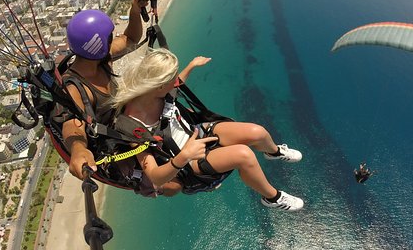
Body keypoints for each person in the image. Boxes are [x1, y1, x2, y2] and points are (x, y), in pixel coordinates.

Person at [111, 48, 304, 211]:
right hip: (188, 160)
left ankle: (274, 152)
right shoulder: (132, 125)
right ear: (159, 85)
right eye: (172, 78)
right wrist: (184, 155)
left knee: (257, 132)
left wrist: (192, 65)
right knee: (244, 155)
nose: (176, 81)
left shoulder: (156, 93)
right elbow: (154, 176)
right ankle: (272, 198)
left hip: (199, 132)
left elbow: (177, 83)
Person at [61, 0, 148, 180]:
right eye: (109, 37)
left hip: (127, 122)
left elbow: (130, 39)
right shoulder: (74, 88)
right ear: (97, 44)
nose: (112, 39)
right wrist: (78, 149)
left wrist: (134, 10)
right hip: (113, 143)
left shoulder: (100, 59)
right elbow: (72, 125)